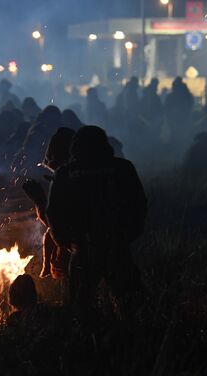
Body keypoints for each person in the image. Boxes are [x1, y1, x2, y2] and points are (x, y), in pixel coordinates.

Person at [46, 126, 147, 323]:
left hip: (84, 249)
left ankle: (86, 344)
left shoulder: (65, 173)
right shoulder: (123, 168)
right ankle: (134, 342)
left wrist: (66, 242)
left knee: (80, 309)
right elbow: (139, 205)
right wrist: (127, 236)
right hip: (116, 247)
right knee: (131, 306)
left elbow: (54, 213)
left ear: (75, 147)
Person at [23, 127, 75, 278]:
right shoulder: (81, 173)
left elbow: (58, 223)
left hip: (88, 247)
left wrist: (39, 201)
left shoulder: (70, 178)